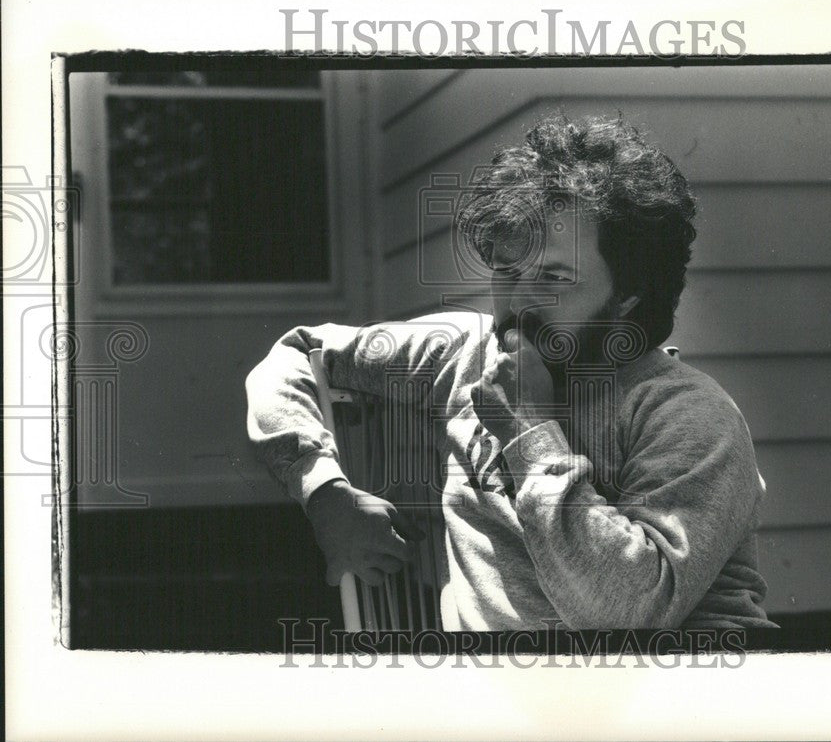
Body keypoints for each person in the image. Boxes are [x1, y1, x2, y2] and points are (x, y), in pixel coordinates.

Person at [246, 114, 777, 630]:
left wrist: (530, 433)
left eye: (554, 276)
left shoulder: (687, 415)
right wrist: (324, 491)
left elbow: (628, 616)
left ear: (626, 297)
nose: (520, 299)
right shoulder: (462, 352)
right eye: (507, 268)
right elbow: (298, 352)